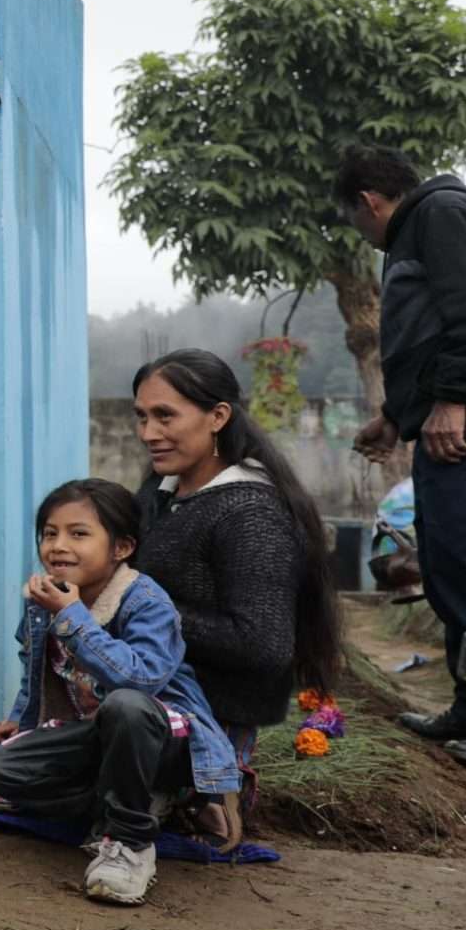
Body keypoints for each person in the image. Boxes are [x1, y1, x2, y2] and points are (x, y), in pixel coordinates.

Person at [339, 145, 466, 771]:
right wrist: (397, 415)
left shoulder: (442, 214)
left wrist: (453, 399)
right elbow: (430, 334)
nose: (365, 235)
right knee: (449, 560)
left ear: (369, 203)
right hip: (451, 418)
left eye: (357, 221)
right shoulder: (424, 226)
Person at [0, 480, 237, 905]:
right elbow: (35, 669)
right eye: (50, 533)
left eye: (79, 533)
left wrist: (73, 618)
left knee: (125, 706)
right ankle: (139, 804)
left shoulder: (144, 601)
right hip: (95, 737)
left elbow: (138, 680)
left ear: (121, 548)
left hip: (162, 739)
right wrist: (22, 721)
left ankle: (130, 845)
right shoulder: (45, 601)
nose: (58, 545)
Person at [129, 350, 343, 827]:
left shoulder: (249, 514)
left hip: (205, 726)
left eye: (165, 415)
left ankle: (207, 794)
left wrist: (136, 606)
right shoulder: (163, 494)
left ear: (218, 416)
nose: (148, 433)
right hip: (144, 698)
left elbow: (262, 644)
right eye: (142, 417)